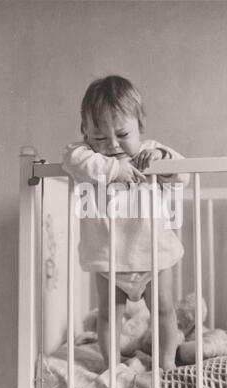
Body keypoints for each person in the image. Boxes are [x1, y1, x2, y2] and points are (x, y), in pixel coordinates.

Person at [62, 75, 189, 370]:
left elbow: (182, 173)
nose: (112, 145)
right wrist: (113, 169)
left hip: (153, 257)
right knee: (108, 314)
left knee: (164, 309)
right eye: (100, 138)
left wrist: (161, 158)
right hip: (109, 262)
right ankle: (112, 365)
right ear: (85, 132)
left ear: (140, 126)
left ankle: (166, 363)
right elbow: (70, 158)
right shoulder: (87, 159)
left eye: (122, 134)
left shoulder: (150, 154)